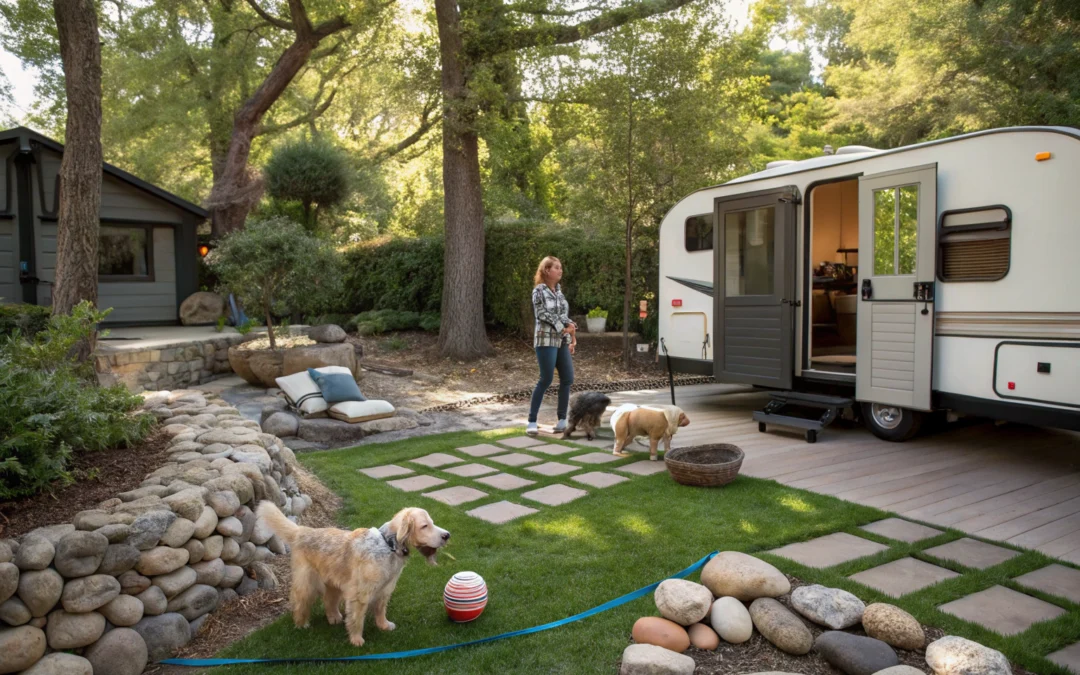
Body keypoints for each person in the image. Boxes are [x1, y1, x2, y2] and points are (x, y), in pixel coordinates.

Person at [527, 256, 576, 436]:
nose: (560, 270)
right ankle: (532, 421)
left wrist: (571, 327)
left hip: (560, 341)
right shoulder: (539, 291)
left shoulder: (559, 292)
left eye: (561, 267)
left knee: (568, 378)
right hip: (545, 340)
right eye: (556, 267)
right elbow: (541, 313)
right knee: (546, 379)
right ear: (547, 270)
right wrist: (562, 326)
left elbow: (563, 316)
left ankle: (562, 420)